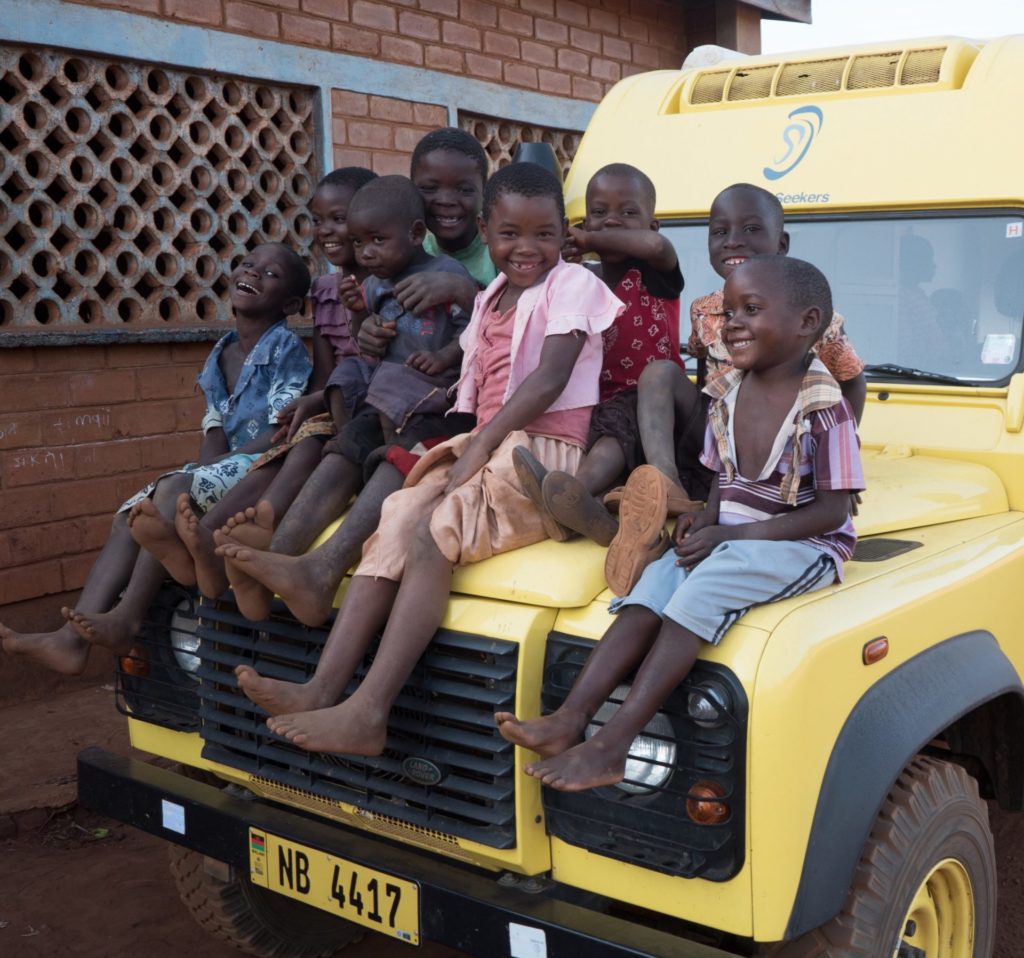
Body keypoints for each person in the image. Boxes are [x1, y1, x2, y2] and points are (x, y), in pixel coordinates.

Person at [231, 162, 624, 756]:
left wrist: (482, 446)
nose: (528, 248)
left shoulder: (572, 285)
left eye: (544, 234)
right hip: (487, 439)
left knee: (433, 535)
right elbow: (476, 375)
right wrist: (448, 406)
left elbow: (548, 380)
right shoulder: (492, 294)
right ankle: (322, 688)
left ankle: (368, 710)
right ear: (487, 231)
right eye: (511, 234)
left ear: (562, 234)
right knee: (394, 517)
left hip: (541, 454)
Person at [496, 255, 864, 792]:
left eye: (751, 309)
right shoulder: (727, 394)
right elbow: (721, 478)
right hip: (733, 535)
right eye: (730, 309)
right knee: (658, 580)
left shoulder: (825, 409)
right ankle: (572, 717)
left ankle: (612, 744)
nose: (731, 322)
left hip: (805, 545)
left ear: (807, 323)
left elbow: (833, 512)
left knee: (705, 584)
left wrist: (731, 535)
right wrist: (705, 521)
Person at [212, 132, 496, 627]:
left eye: (463, 189)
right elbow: (369, 330)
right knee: (344, 447)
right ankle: (277, 560)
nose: (446, 201)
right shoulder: (393, 260)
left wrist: (463, 292)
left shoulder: (496, 247)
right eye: (431, 187)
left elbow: (501, 328)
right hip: (387, 395)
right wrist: (366, 330)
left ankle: (322, 570)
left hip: (448, 407)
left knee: (397, 455)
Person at [0, 244, 312, 674]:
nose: (253, 272)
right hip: (230, 464)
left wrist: (204, 474)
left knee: (171, 491)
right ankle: (70, 642)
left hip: (266, 464)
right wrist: (204, 468)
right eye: (248, 264)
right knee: (132, 513)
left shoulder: (286, 348)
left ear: (291, 304)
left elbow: (282, 431)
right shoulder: (219, 354)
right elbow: (214, 430)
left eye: (270, 274)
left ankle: (127, 617)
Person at [602, 182, 867, 594]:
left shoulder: (814, 319)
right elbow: (706, 375)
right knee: (657, 372)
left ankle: (650, 521)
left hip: (777, 444)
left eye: (750, 230)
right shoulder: (705, 309)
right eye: (719, 232)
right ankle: (666, 486)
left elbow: (851, 381)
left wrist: (838, 466)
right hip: (718, 434)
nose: (733, 242)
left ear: (781, 243)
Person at [135, 167, 378, 598]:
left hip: (365, 411)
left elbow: (373, 367)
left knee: (302, 443)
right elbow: (322, 373)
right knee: (296, 437)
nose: (327, 230)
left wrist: (317, 406)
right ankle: (212, 541)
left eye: (340, 219)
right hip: (325, 406)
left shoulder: (384, 284)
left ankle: (225, 538)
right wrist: (312, 404)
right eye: (319, 220)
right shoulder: (323, 289)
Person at [510, 162, 697, 548]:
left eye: (628, 213)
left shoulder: (655, 270)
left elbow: (656, 247)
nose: (612, 221)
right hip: (601, 402)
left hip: (662, 408)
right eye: (598, 213)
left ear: (652, 224)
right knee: (595, 434)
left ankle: (568, 493)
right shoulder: (583, 280)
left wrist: (591, 239)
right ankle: (581, 512)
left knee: (613, 435)